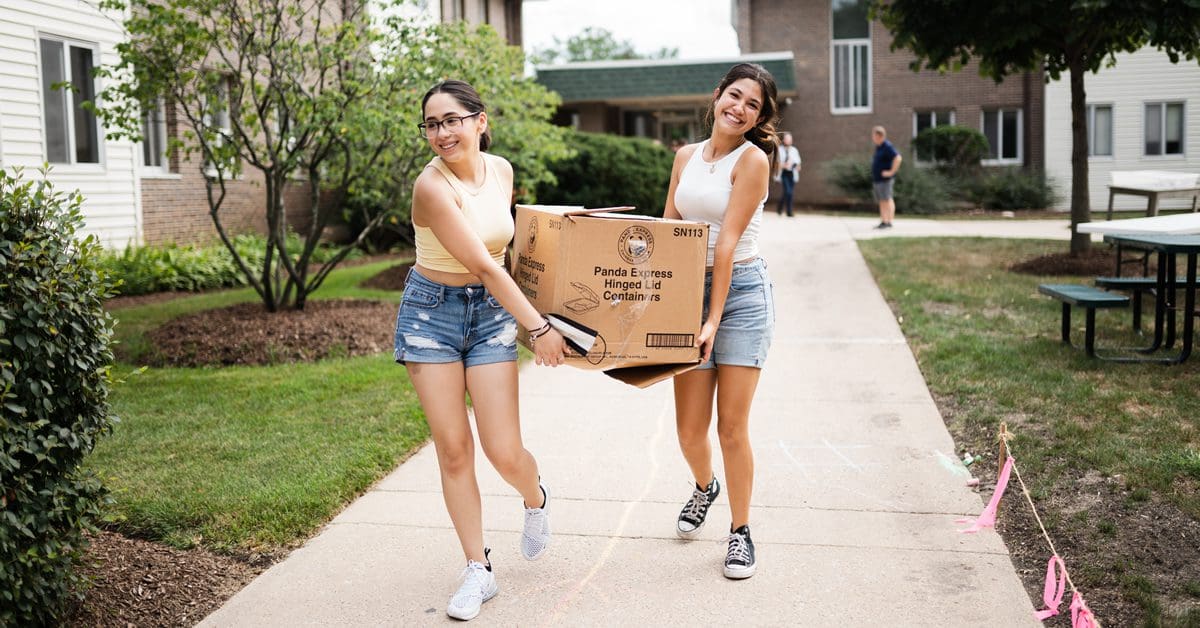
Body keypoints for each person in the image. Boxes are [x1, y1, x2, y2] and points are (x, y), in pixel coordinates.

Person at [396, 79, 569, 621]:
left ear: (480, 121)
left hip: (490, 312)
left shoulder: (502, 171)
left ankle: (535, 498)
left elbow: (510, 250)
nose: (442, 132)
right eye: (431, 123)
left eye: (452, 120)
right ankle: (478, 568)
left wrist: (550, 301)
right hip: (431, 315)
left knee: (504, 450)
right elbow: (483, 264)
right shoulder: (432, 187)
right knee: (453, 449)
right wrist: (538, 328)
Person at [663, 63, 778, 580]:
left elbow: (726, 244)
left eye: (752, 105)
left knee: (731, 427)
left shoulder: (752, 161)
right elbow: (670, 229)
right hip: (689, 289)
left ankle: (740, 532)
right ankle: (704, 486)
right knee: (690, 432)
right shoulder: (685, 156)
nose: (740, 108)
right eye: (735, 96)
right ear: (717, 96)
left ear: (758, 117)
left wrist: (711, 319)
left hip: (742, 295)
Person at [871, 125, 902, 229]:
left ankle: (888, 221)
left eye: (874, 136)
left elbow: (897, 158)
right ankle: (884, 220)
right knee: (882, 200)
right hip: (878, 179)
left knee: (887, 199)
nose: (873, 138)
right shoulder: (879, 147)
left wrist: (891, 172)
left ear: (880, 136)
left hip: (885, 179)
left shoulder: (887, 146)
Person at [775, 131, 801, 217]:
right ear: (784, 140)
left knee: (788, 192)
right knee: (788, 192)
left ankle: (780, 207)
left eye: (790, 139)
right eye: (787, 139)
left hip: (792, 174)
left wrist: (794, 165)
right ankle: (789, 212)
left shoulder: (794, 150)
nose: (789, 140)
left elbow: (798, 165)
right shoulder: (779, 149)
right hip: (783, 174)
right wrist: (784, 165)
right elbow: (776, 164)